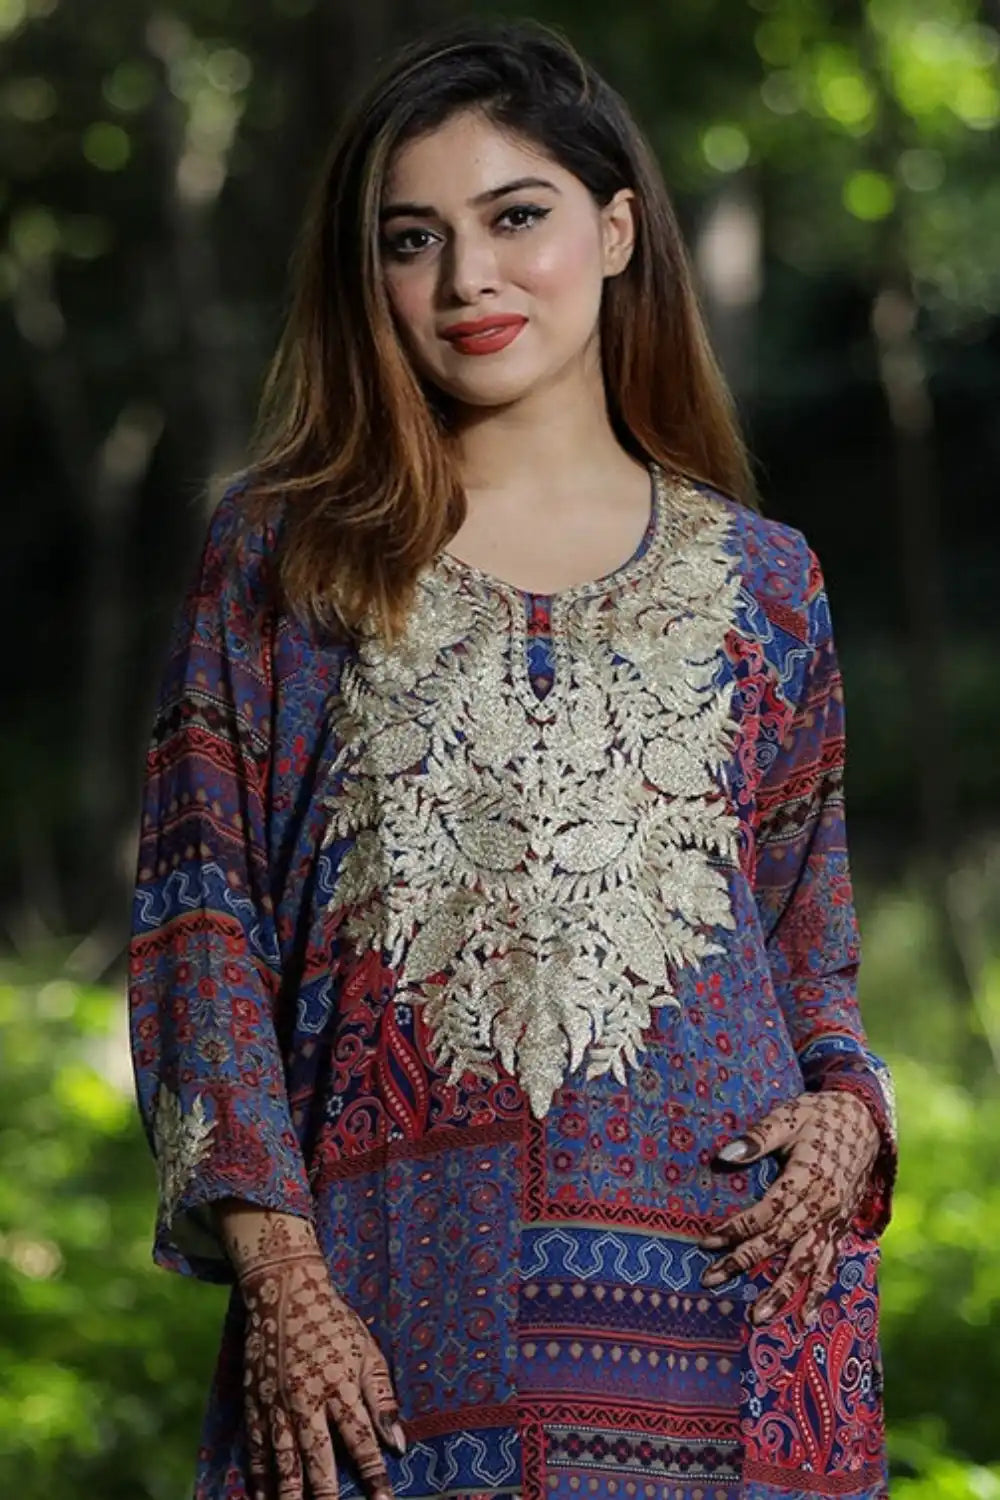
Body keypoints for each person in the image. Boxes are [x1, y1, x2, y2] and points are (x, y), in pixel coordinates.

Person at [127, 17, 898, 1500]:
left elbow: (814, 952)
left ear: (616, 230)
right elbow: (198, 933)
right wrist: (279, 1272)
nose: (468, 278)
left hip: (734, 1309)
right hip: (383, 1317)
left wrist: (848, 1115)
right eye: (411, 239)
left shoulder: (769, 582)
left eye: (516, 217)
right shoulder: (286, 560)